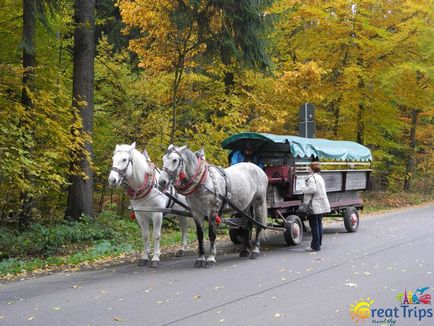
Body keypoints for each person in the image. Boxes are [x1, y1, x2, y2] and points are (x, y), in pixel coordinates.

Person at [301, 161, 330, 252]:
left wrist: (303, 189)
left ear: (312, 169)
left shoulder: (311, 178)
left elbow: (312, 189)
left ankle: (315, 246)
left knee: (314, 225)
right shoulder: (320, 177)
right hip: (321, 203)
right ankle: (318, 243)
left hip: (313, 204)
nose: (308, 169)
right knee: (319, 223)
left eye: (309, 167)